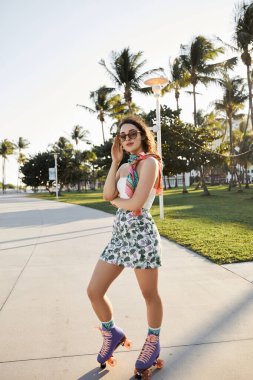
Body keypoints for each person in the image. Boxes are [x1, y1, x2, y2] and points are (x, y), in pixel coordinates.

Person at [87, 115, 163, 376]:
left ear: (142, 135)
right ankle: (112, 333)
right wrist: (114, 161)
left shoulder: (150, 163)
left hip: (141, 236)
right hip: (119, 236)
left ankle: (153, 341)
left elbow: (137, 204)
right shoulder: (123, 166)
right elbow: (107, 194)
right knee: (94, 291)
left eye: (132, 134)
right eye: (123, 135)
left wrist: (117, 202)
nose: (128, 138)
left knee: (149, 294)